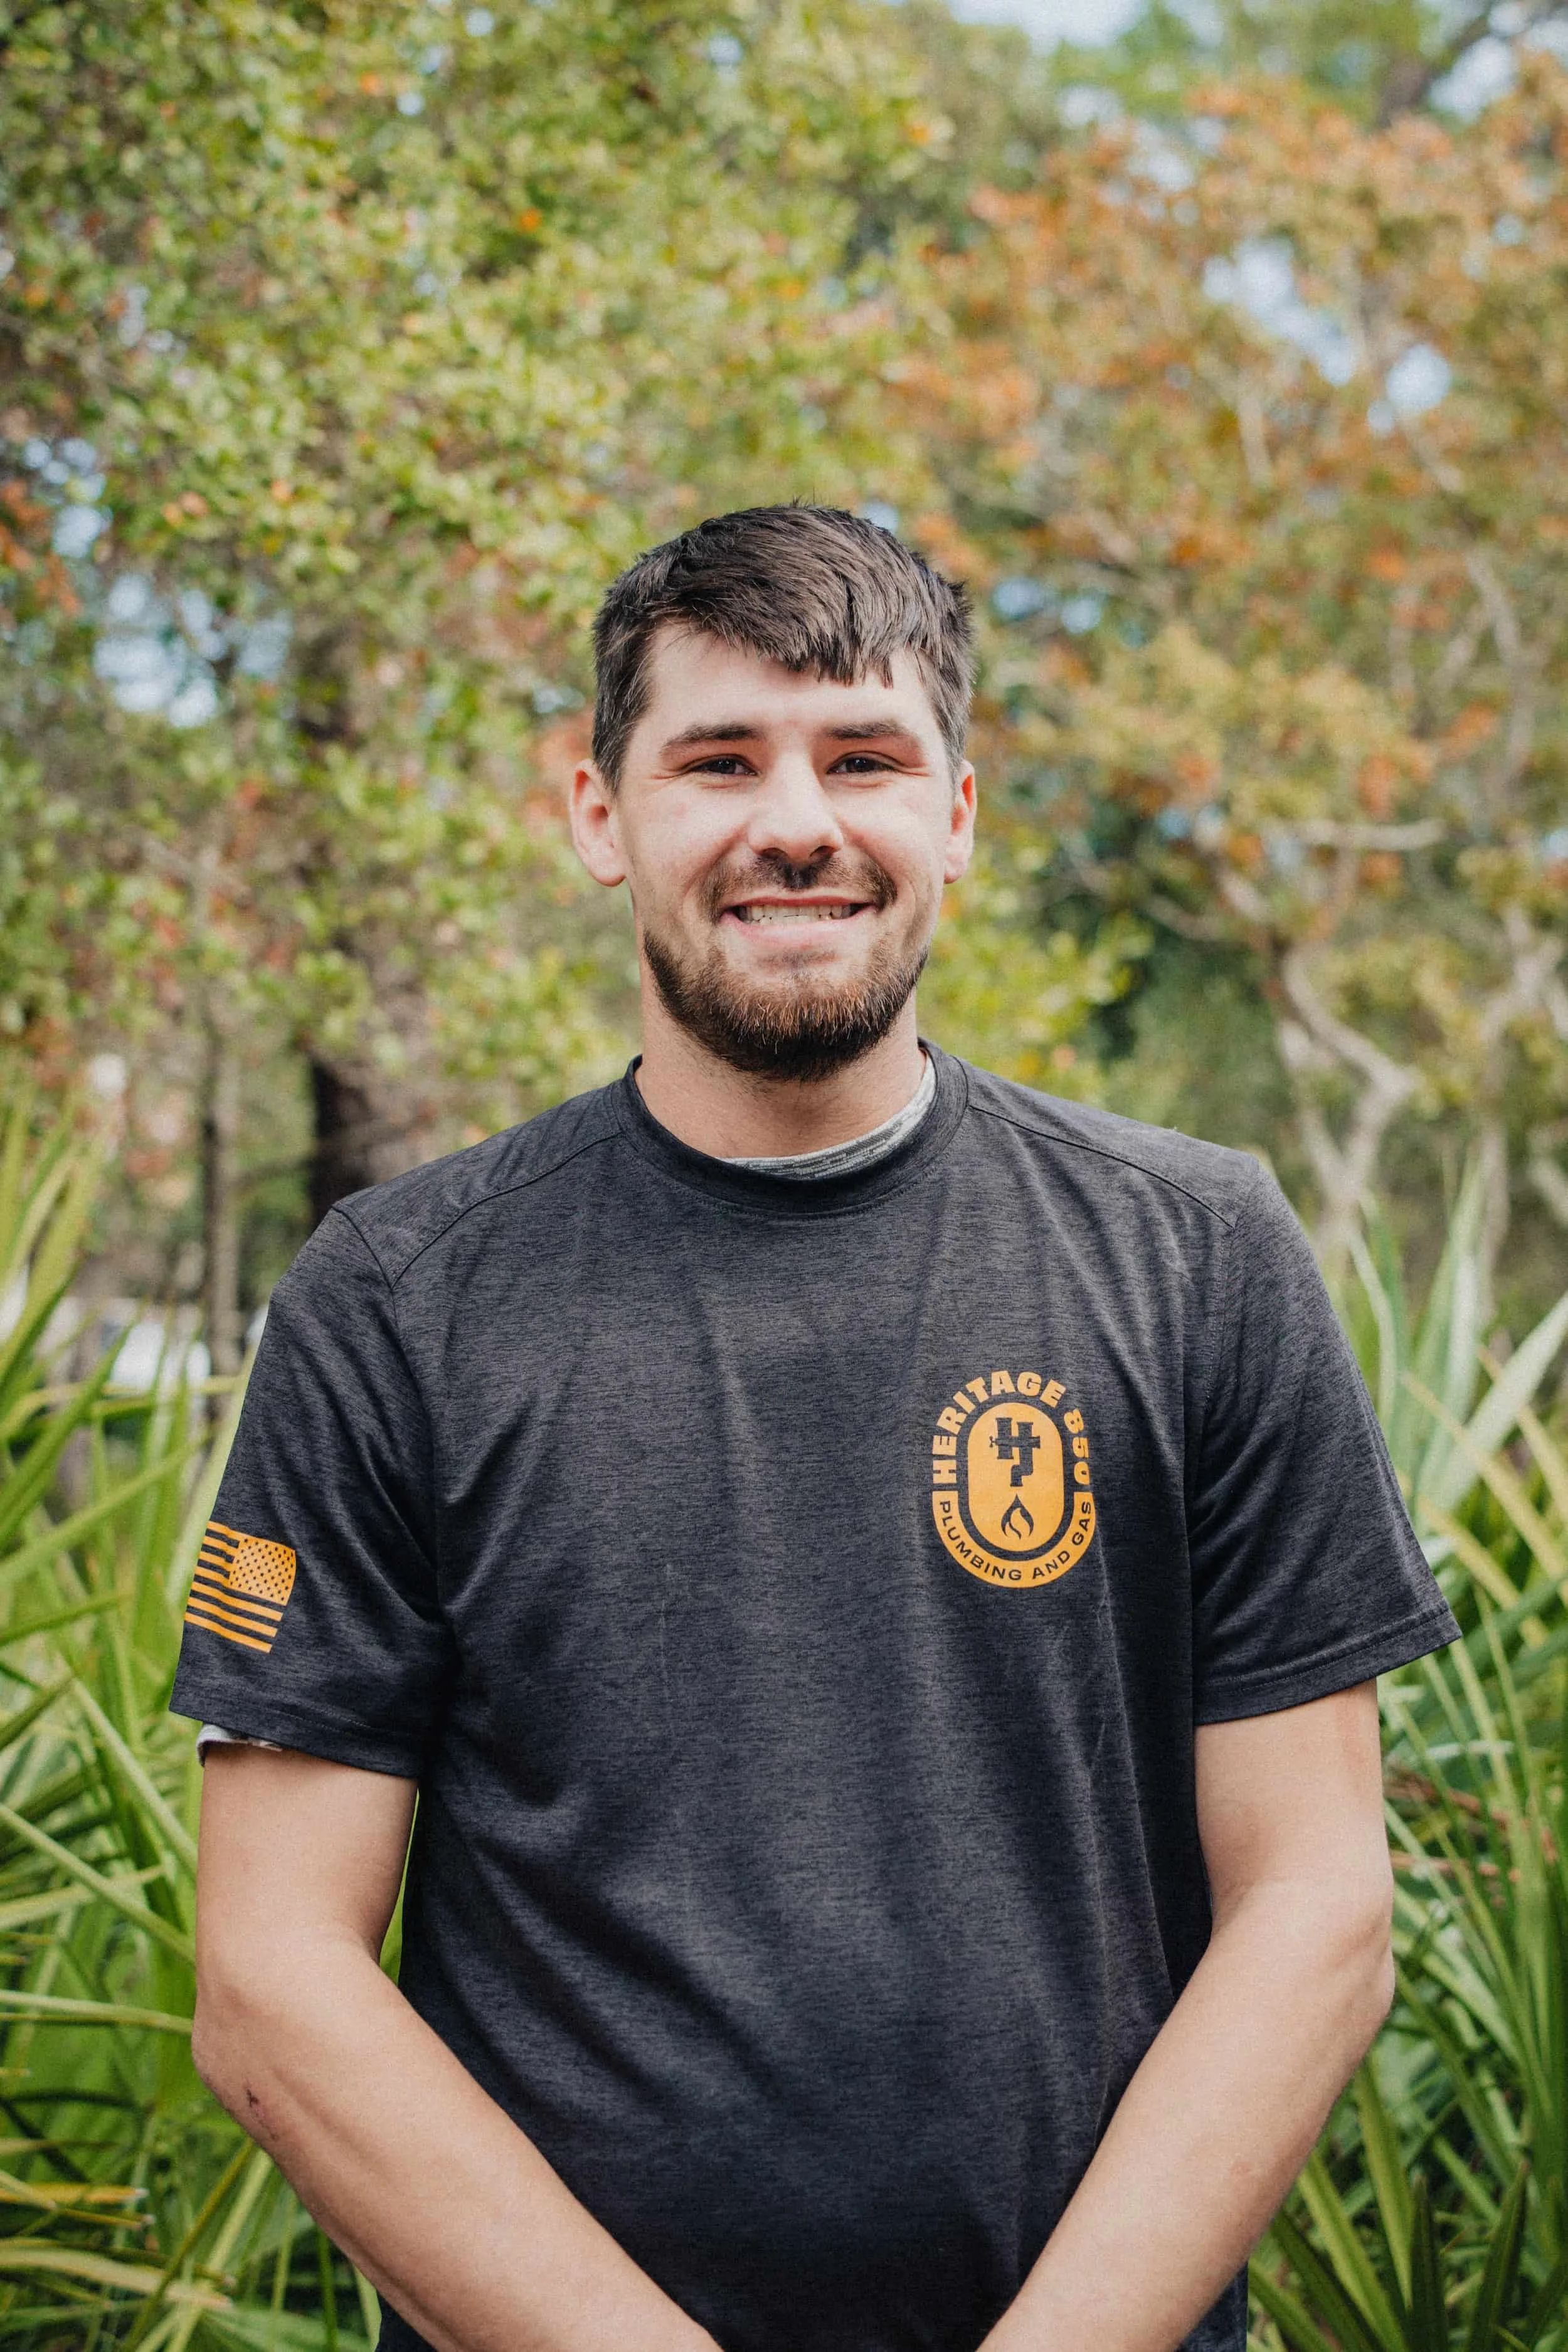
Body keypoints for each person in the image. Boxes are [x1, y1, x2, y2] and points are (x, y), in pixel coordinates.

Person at [177, 504, 1458, 2352]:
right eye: (717, 759)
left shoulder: (1195, 1253)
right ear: (598, 814)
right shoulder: (395, 1298)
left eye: (863, 756)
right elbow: (273, 1975)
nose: (796, 820)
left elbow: (1317, 1904)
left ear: (955, 814)